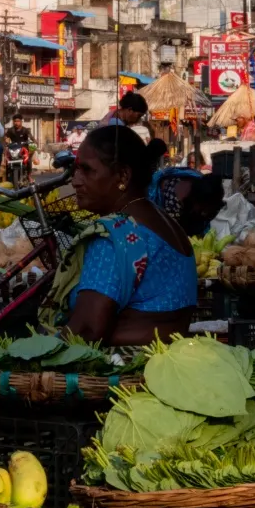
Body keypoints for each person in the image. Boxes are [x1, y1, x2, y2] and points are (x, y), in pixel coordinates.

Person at [62, 124, 195, 346]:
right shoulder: (165, 223)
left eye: (87, 170)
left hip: (119, 374)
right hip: (163, 366)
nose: (75, 181)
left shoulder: (116, 235)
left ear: (122, 175)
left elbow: (86, 331)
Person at [151, 166, 225, 237]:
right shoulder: (173, 202)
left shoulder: (204, 192)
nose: (204, 213)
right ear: (196, 199)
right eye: (203, 209)